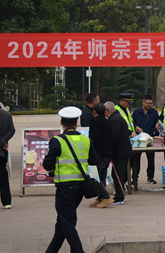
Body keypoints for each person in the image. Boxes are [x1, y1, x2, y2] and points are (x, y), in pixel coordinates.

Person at [43, 106, 100, 253]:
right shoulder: (85, 139)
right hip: (80, 188)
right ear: (77, 123)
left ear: (61, 122)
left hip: (65, 189)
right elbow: (94, 160)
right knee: (62, 222)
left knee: (67, 223)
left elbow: (47, 164)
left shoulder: (57, 141)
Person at [106, 101, 133, 206]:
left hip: (120, 152)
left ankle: (120, 197)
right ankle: (119, 195)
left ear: (107, 111)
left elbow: (114, 137)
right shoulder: (116, 117)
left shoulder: (115, 120)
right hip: (122, 151)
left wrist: (110, 150)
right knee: (117, 174)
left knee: (118, 175)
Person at [88, 103, 112, 208]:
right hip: (107, 153)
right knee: (102, 176)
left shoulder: (95, 122)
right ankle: (100, 198)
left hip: (99, 154)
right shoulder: (108, 122)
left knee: (96, 177)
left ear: (94, 112)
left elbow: (93, 139)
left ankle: (106, 197)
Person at [132, 95, 159, 186]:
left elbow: (157, 125)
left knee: (151, 159)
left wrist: (157, 137)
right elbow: (132, 123)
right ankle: (134, 177)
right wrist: (136, 128)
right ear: (143, 102)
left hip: (149, 139)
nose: (149, 105)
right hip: (139, 140)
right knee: (136, 159)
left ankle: (150, 177)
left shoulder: (154, 112)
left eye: (151, 103)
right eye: (148, 103)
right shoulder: (136, 112)